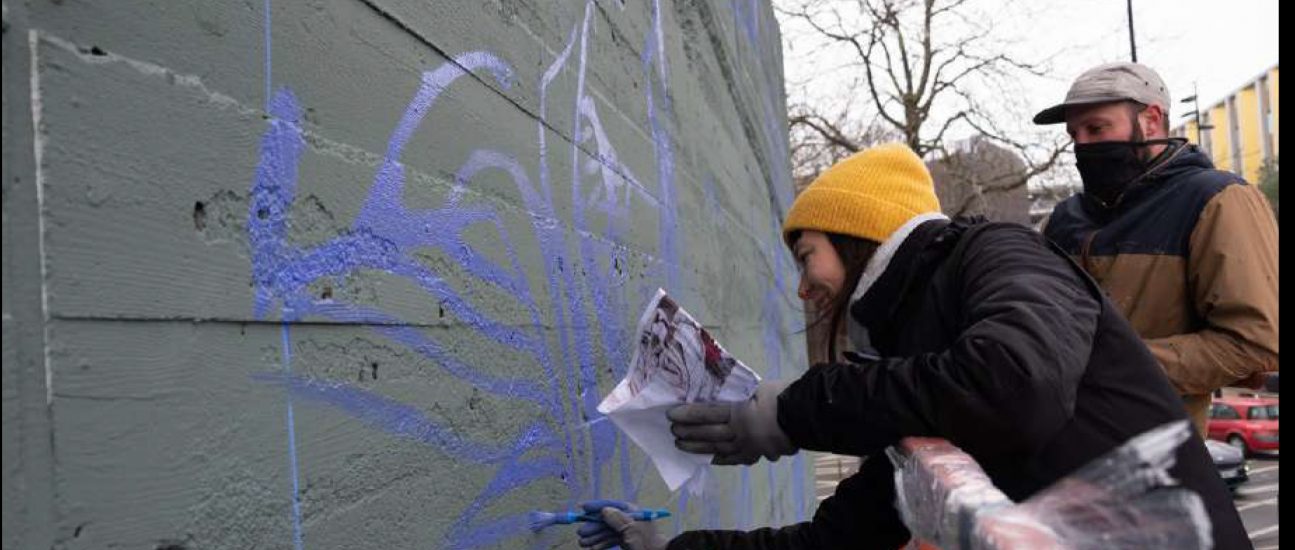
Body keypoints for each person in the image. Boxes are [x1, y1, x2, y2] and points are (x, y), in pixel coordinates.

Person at [575, 143, 1250, 549]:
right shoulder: (919, 369)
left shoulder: (999, 253)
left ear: (858, 235)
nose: (805, 287)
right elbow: (837, 540)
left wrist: (794, 410)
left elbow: (1016, 387)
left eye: (806, 255)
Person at [1033, 62, 1279, 436]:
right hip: (1051, 454)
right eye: (1074, 134)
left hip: (1155, 462)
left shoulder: (1217, 201)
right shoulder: (1063, 218)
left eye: (1097, 128)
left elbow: (1256, 343)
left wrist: (1114, 365)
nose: (1082, 145)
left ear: (1151, 120)